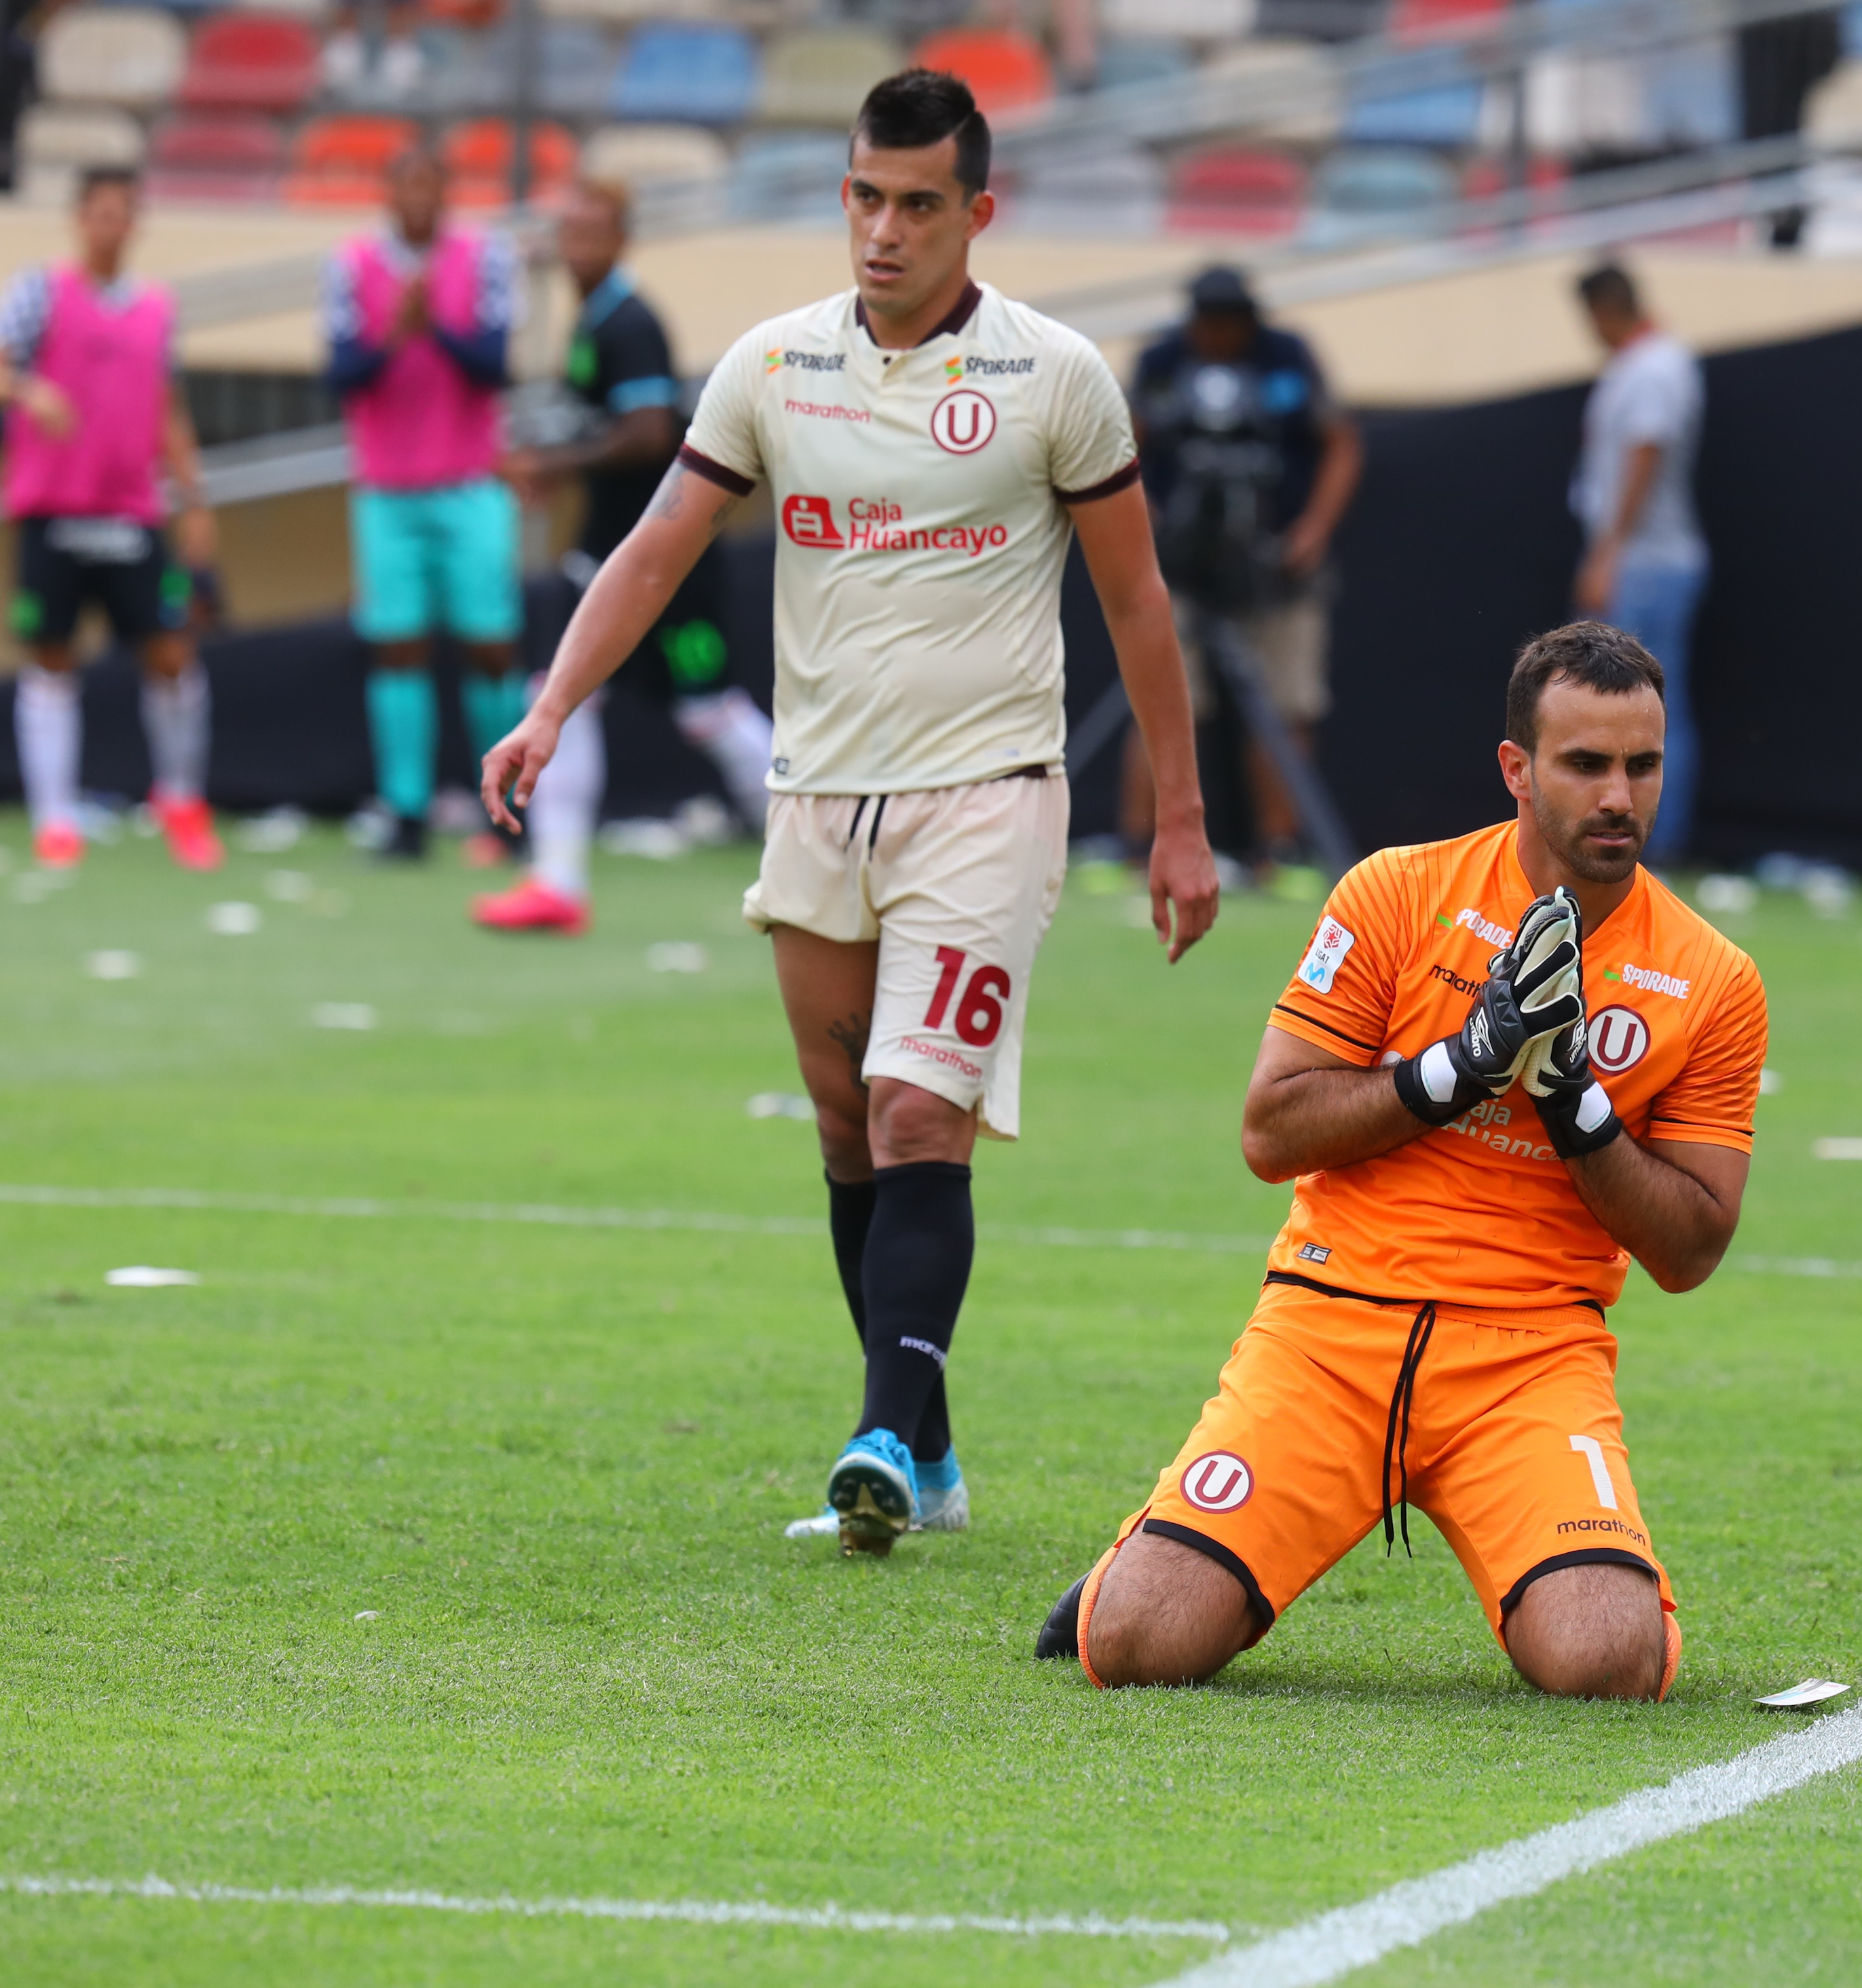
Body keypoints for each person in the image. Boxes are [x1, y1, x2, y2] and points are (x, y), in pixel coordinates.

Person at [478, 69, 1220, 1554]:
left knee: (914, 1107)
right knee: (846, 1136)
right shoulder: (773, 365)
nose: (883, 232)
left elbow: (1137, 601)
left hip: (990, 800)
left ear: (977, 212)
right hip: (817, 800)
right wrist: (551, 706)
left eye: (918, 205)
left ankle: (877, 1427)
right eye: (865, 198)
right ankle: (927, 1455)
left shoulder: (1054, 375)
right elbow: (652, 549)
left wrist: (1180, 817)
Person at [1035, 622, 1768, 1699]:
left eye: (1642, 765)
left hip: (1530, 1353)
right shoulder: (1394, 892)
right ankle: (1152, 1552)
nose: (1620, 796)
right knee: (1141, 1643)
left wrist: (1572, 1101)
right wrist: (1464, 1064)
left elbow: (1692, 1245)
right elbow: (1270, 1131)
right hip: (1332, 1323)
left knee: (1611, 1662)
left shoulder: (1714, 977)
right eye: (1586, 764)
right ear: (1517, 768)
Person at [475, 175, 775, 937]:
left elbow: (647, 433)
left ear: (620, 238)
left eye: (590, 232)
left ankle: (823, 853)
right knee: (560, 695)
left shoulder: (629, 324)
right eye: (567, 232)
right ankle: (557, 881)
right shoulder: (593, 319)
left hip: (664, 565)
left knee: (710, 712)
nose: (576, 247)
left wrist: (552, 465)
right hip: (611, 556)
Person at [0, 166, 223, 871]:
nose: (110, 225)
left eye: (122, 213)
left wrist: (193, 499)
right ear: (80, 219)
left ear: (135, 223)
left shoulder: (158, 308)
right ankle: (55, 819)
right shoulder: (39, 290)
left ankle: (182, 801)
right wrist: (26, 389)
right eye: (98, 213)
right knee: (50, 659)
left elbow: (168, 409)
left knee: (171, 654)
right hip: (53, 510)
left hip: (133, 512)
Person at [1125, 264, 1361, 870]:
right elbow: (1120, 446)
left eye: (1230, 324)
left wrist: (1310, 533)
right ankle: (1142, 846)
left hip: (1277, 569)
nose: (1218, 336)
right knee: (1161, 699)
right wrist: (1146, 523)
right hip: (1179, 568)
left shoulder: (1287, 357)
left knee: (1286, 703)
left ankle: (1279, 849)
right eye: (1208, 324)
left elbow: (1342, 442)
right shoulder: (1162, 360)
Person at [327, 145, 523, 863]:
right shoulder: (349, 266)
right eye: (403, 184)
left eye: (428, 184)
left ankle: (503, 809)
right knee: (398, 648)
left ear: (445, 192)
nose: (416, 197)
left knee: (490, 647)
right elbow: (343, 374)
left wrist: (431, 324)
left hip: (470, 482)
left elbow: (495, 367)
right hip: (387, 490)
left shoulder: (487, 259)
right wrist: (394, 333)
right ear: (387, 194)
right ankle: (405, 812)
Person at [1569, 264, 1709, 867]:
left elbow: (1645, 454)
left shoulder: (1655, 366)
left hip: (1647, 563)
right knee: (1617, 707)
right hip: (1642, 558)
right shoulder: (1645, 363)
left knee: (1644, 710)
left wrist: (1609, 552)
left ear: (1604, 309)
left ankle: (1656, 845)